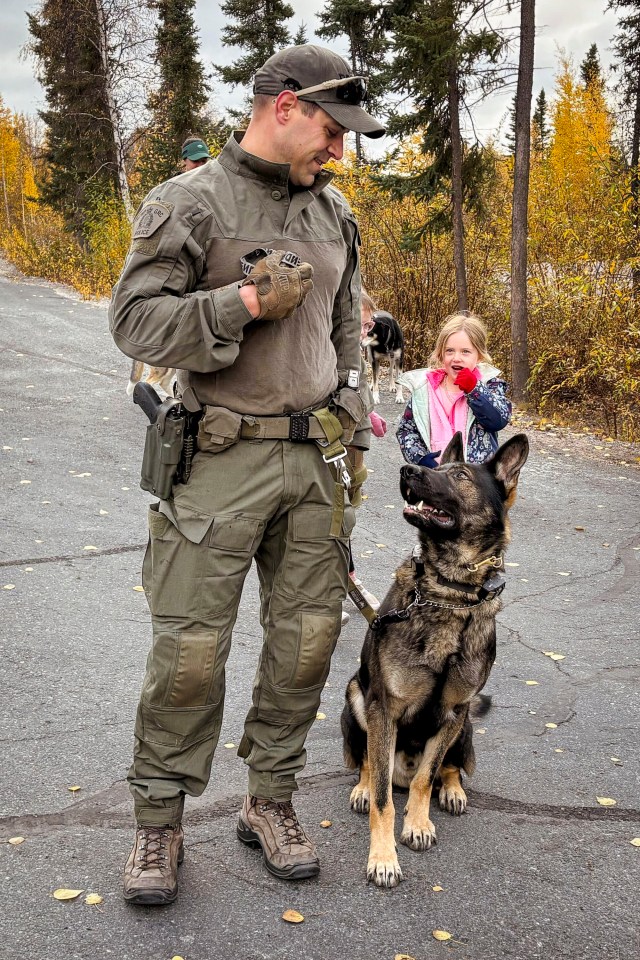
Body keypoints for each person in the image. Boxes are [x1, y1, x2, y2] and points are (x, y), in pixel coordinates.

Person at [109, 44, 385, 905]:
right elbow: (135, 322)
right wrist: (244, 305)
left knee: (304, 649)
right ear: (287, 104)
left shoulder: (334, 214)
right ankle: (159, 824)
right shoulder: (187, 201)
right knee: (191, 652)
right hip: (219, 460)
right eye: (333, 132)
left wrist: (357, 425)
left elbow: (350, 324)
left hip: (315, 464)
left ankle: (270, 804)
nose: (340, 152)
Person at [396, 312, 511, 466]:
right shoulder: (424, 389)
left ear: (479, 356)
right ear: (441, 354)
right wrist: (420, 458)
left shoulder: (490, 385)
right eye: (450, 351)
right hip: (437, 478)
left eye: (465, 352)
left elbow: (498, 420)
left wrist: (475, 389)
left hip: (474, 481)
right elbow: (406, 430)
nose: (457, 357)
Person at [342, 288, 385, 626]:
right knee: (336, 515)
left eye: (369, 326)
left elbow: (359, 393)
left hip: (357, 447)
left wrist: (369, 415)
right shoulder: (327, 352)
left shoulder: (356, 352)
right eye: (359, 325)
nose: (363, 333)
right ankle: (347, 582)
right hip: (333, 448)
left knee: (348, 512)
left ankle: (344, 579)